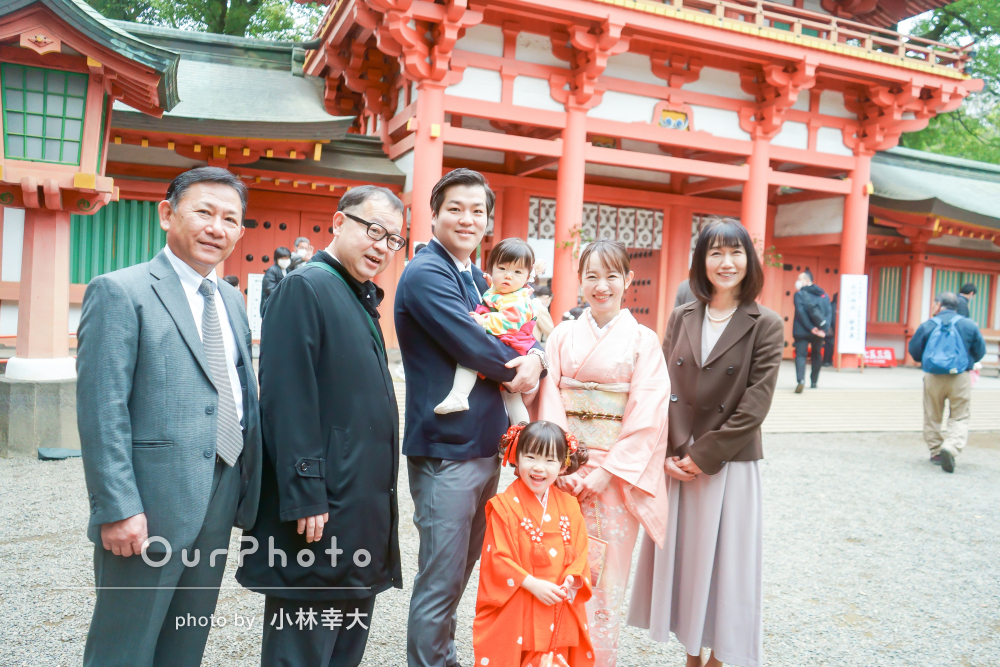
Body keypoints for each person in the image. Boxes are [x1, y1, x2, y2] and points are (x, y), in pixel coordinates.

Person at [77, 167, 262, 667]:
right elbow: (102, 408)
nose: (216, 228)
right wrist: (117, 507)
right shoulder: (121, 291)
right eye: (203, 212)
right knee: (125, 643)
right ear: (167, 214)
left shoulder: (231, 299)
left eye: (230, 219)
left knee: (186, 638)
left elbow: (238, 390)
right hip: (151, 499)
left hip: (223, 486)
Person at [235, 186, 405, 666]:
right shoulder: (306, 287)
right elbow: (287, 399)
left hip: (356, 504)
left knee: (345, 642)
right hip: (321, 507)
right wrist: (305, 490)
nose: (382, 246)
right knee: (304, 646)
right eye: (374, 230)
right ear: (338, 222)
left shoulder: (354, 293)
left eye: (393, 240)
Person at [395, 168, 546, 667]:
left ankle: (444, 655)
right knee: (441, 575)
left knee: (462, 568)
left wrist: (538, 356)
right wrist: (523, 365)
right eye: (455, 208)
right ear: (433, 214)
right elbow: (473, 343)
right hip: (447, 447)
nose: (467, 219)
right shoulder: (426, 273)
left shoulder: (480, 278)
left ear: (488, 221)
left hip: (483, 445)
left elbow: (525, 326)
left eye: (477, 211)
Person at [627, 218, 784, 667]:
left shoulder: (766, 324)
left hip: (727, 460)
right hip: (678, 456)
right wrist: (668, 451)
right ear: (701, 261)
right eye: (715, 252)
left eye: (735, 252)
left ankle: (717, 655)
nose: (726, 262)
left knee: (727, 563)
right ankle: (691, 651)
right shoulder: (683, 315)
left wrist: (701, 455)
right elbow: (660, 385)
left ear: (749, 261)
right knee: (688, 560)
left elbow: (755, 404)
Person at [530, 239, 670, 667]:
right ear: (579, 281)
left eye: (611, 276)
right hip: (561, 476)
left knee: (605, 583)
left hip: (614, 479)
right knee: (552, 571)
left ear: (628, 279)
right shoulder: (562, 336)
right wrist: (560, 465)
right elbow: (548, 399)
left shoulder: (644, 340)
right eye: (591, 276)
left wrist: (606, 472)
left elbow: (648, 413)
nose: (601, 285)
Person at [473, 421, 594, 667]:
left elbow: (580, 552)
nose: (539, 467)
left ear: (563, 465)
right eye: (530, 457)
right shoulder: (503, 506)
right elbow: (497, 558)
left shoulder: (570, 505)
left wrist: (570, 580)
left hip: (558, 601)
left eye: (550, 460)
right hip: (518, 601)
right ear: (516, 458)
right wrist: (532, 584)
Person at [435, 237, 537, 424]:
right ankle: (521, 430)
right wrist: (491, 283)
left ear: (527, 276)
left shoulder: (519, 299)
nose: (508, 276)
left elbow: (510, 321)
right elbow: (495, 294)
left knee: (471, 358)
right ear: (491, 269)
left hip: (511, 344)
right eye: (502, 269)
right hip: (505, 344)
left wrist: (484, 321)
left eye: (517, 272)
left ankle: (460, 394)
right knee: (511, 397)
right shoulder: (500, 290)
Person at [907, 292, 986, 474]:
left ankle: (936, 452)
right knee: (960, 415)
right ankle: (951, 446)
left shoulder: (928, 325)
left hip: (933, 377)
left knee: (932, 414)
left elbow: (915, 351)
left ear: (938, 305)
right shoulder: (968, 324)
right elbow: (980, 351)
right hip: (960, 376)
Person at [792, 270, 830, 392]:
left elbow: (800, 312)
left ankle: (801, 381)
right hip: (819, 331)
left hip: (802, 330)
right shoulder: (824, 295)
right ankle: (814, 382)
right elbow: (828, 314)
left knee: (801, 355)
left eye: (800, 279)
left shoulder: (799, 294)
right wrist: (824, 329)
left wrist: (810, 328)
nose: (797, 282)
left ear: (807, 281)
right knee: (816, 355)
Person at [260, 246, 291, 316]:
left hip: (282, 308)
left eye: (287, 258)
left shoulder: (288, 270)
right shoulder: (272, 270)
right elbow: (270, 290)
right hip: (271, 308)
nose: (285, 261)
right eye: (282, 258)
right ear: (276, 259)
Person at [823, 292, 838, 367]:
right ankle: (827, 360)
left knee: (829, 345)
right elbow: (833, 319)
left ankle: (827, 360)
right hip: (831, 329)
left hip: (829, 328)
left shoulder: (831, 305)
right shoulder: (834, 306)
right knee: (830, 345)